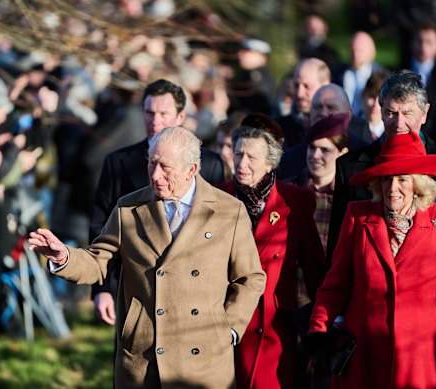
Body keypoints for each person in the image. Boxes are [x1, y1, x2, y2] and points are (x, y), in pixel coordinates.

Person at [29, 126, 266, 388]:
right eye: (152, 163)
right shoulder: (129, 208)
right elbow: (98, 262)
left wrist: (229, 329)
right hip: (144, 356)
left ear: (192, 170)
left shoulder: (228, 212)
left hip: (205, 359)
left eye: (166, 167)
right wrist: (64, 257)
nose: (155, 175)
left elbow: (250, 277)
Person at [305, 130, 436, 388]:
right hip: (363, 356)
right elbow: (336, 283)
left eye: (402, 179)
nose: (393, 188)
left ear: (418, 184)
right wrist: (318, 329)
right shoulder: (357, 215)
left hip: (418, 361)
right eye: (387, 179)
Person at [90, 79, 225, 325]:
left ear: (181, 115)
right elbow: (101, 228)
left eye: (164, 113)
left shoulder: (211, 164)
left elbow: (220, 229)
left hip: (194, 289)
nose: (155, 121)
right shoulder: (118, 162)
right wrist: (102, 289)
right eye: (149, 113)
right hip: (135, 288)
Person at [216, 113, 326, 388]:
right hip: (222, 326)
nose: (242, 164)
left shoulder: (296, 202)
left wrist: (321, 327)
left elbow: (315, 272)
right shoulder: (216, 198)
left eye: (252, 157)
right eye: (238, 153)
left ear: (270, 161)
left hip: (274, 332)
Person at [328, 69, 436, 262]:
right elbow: (337, 253)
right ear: (380, 111)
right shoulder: (350, 167)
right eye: (391, 112)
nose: (399, 123)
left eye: (408, 113)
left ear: (424, 114)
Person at [290, 113, 349, 254]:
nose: (315, 155)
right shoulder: (288, 190)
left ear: (343, 153)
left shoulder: (349, 197)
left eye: (325, 150)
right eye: (312, 147)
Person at [277, 58, 331, 150]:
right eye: (296, 85)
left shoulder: (351, 130)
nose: (299, 93)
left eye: (307, 86)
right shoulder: (278, 131)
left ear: (325, 87)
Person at [335, 31, 383, 117]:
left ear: (372, 52)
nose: (355, 55)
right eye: (353, 50)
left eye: (360, 51)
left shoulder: (382, 76)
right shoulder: (338, 73)